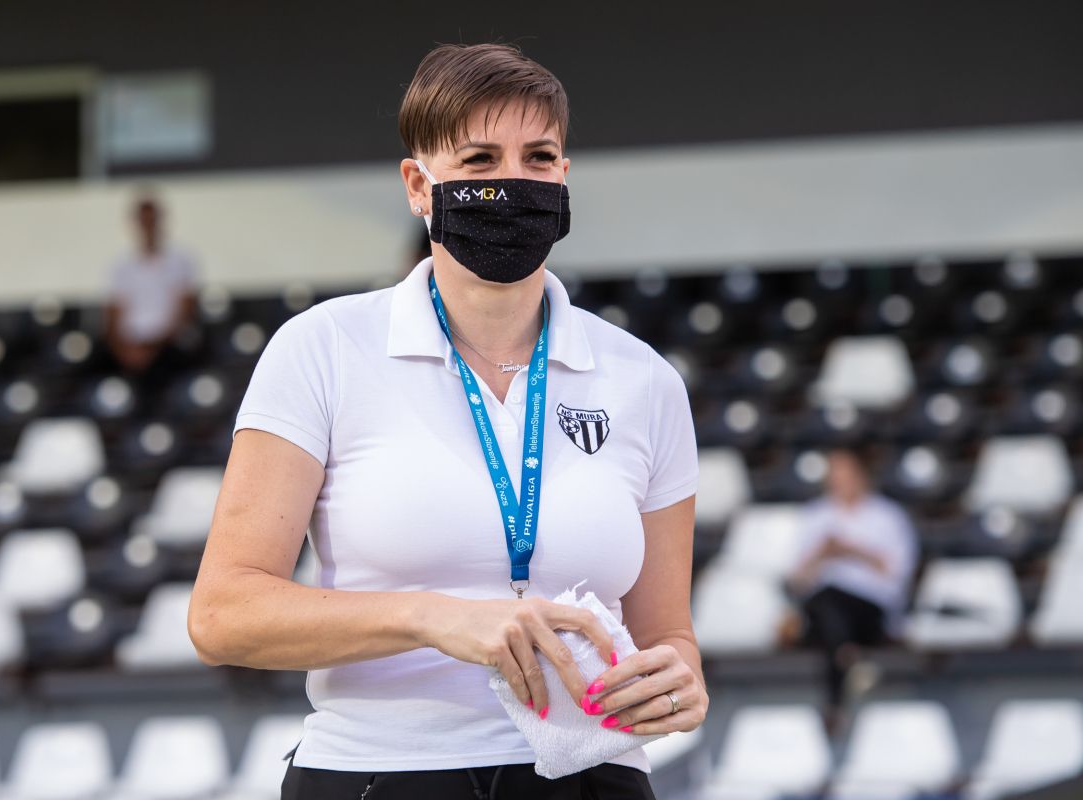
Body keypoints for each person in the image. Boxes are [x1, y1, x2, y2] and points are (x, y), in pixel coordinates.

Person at [188, 43, 707, 799]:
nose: (513, 180)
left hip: (593, 779)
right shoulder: (324, 347)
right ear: (417, 185)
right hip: (381, 776)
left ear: (564, 176)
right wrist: (435, 618)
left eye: (539, 157)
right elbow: (223, 615)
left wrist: (680, 680)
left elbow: (668, 636)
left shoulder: (644, 380)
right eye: (479, 159)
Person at [782, 446, 918, 728]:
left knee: (830, 605)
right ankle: (848, 657)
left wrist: (852, 551)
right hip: (821, 608)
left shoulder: (888, 516)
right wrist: (821, 554)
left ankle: (837, 689)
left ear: (862, 475)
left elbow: (897, 577)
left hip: (870, 609)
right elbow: (797, 581)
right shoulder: (814, 516)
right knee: (827, 602)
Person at [102, 191, 199, 380]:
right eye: (144, 221)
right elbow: (112, 317)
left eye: (151, 220)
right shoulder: (121, 266)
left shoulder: (180, 262)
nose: (148, 226)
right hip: (130, 347)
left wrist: (154, 349)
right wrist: (125, 352)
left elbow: (185, 313)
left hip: (167, 348)